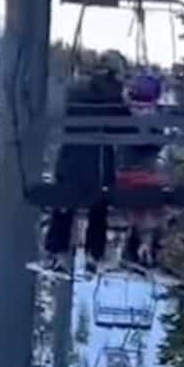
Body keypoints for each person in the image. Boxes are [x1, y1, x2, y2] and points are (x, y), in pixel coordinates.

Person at [43, 65, 129, 275]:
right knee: (98, 208)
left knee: (64, 205)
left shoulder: (75, 89)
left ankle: (56, 253)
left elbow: (58, 112)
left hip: (70, 159)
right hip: (98, 163)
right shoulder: (112, 96)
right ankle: (93, 255)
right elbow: (123, 126)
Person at [117, 71, 170, 269]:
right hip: (139, 173)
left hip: (134, 173)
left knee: (144, 213)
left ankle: (139, 252)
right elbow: (152, 144)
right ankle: (141, 252)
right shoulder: (149, 118)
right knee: (148, 212)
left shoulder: (129, 114)